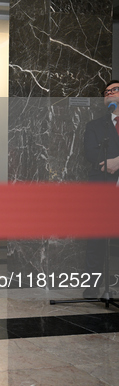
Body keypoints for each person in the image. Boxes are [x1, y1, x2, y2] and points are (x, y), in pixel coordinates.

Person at [82, 80, 119, 297]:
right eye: (106, 92)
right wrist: (109, 162)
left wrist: (118, 162)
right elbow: (90, 153)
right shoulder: (96, 126)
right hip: (101, 187)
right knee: (96, 238)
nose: (108, 94)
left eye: (114, 90)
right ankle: (92, 285)